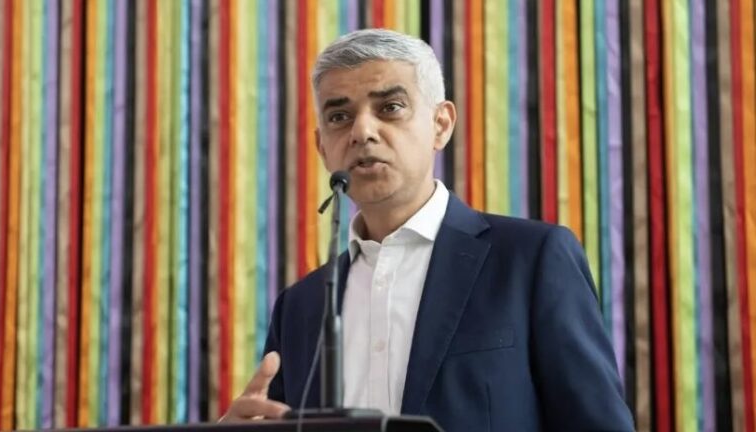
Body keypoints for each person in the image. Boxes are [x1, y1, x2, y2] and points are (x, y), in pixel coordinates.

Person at [220, 28, 634, 431]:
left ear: (441, 124)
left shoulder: (532, 261)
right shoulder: (300, 307)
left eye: (390, 107)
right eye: (339, 116)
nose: (362, 131)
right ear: (322, 146)